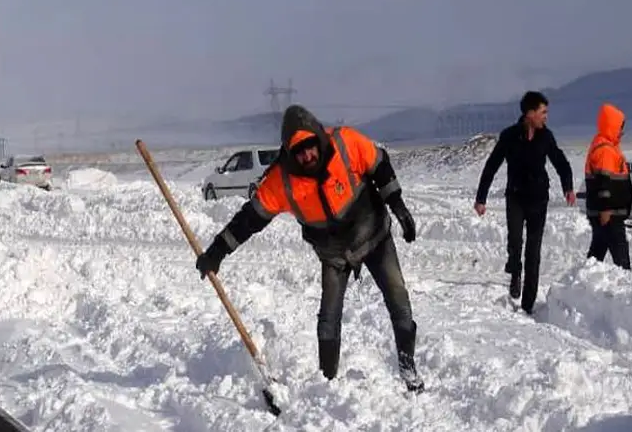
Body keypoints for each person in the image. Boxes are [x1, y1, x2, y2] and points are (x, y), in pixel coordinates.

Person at [195, 105, 424, 392]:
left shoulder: (346, 143)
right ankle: (327, 385)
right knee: (328, 318)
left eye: (310, 147)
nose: (307, 156)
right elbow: (248, 220)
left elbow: (379, 164)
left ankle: (408, 368)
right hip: (334, 255)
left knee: (398, 299)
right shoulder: (282, 180)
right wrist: (216, 252)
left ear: (318, 138)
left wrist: (398, 205)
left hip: (374, 236)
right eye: (298, 151)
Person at [474, 90, 575, 314]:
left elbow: (560, 161)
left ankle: (528, 303)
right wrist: (481, 198)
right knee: (516, 241)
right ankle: (515, 270)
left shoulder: (546, 137)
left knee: (534, 250)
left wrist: (567, 186)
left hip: (539, 199)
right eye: (543, 112)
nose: (546, 116)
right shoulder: (509, 136)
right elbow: (492, 166)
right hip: (516, 197)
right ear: (530, 113)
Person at [583, 102, 632, 269]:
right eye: (620, 127)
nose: (622, 132)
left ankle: (584, 282)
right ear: (612, 126)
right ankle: (627, 283)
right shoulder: (606, 150)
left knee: (597, 253)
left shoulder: (607, 146)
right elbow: (604, 182)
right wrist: (605, 209)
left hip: (606, 212)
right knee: (620, 254)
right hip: (609, 213)